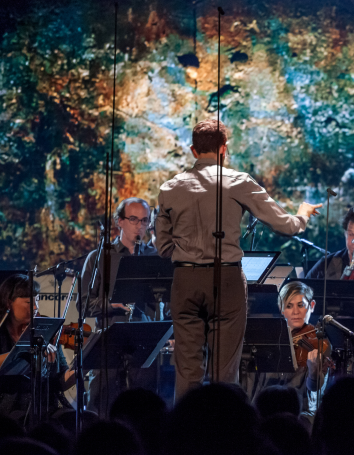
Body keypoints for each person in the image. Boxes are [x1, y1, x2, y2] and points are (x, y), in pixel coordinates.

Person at [156, 119, 321, 401]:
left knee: (187, 370)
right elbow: (286, 226)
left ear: (194, 151)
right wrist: (303, 214)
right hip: (226, 279)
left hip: (184, 280)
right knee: (225, 373)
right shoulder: (238, 182)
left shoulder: (170, 187)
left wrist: (189, 258)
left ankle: (185, 436)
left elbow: (161, 246)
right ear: (224, 149)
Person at [79, 197, 159, 413]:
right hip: (109, 345)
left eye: (144, 221)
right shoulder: (100, 257)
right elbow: (83, 305)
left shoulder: (156, 257)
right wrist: (112, 305)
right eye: (133, 219)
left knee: (145, 413)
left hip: (145, 348)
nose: (139, 226)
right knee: (101, 409)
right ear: (119, 221)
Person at [0, 274, 75, 425]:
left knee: (82, 418)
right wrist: (26, 350)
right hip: (9, 408)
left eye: (37, 300)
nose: (36, 307)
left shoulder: (45, 332)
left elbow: (60, 381)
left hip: (46, 406)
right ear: (9, 303)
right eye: (29, 302)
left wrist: (82, 367)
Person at [250, 281, 329, 425]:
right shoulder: (268, 339)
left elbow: (314, 395)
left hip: (301, 415)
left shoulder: (319, 344)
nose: (295, 312)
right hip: (264, 412)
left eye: (301, 305)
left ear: (311, 306)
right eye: (289, 306)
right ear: (281, 309)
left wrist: (313, 373)